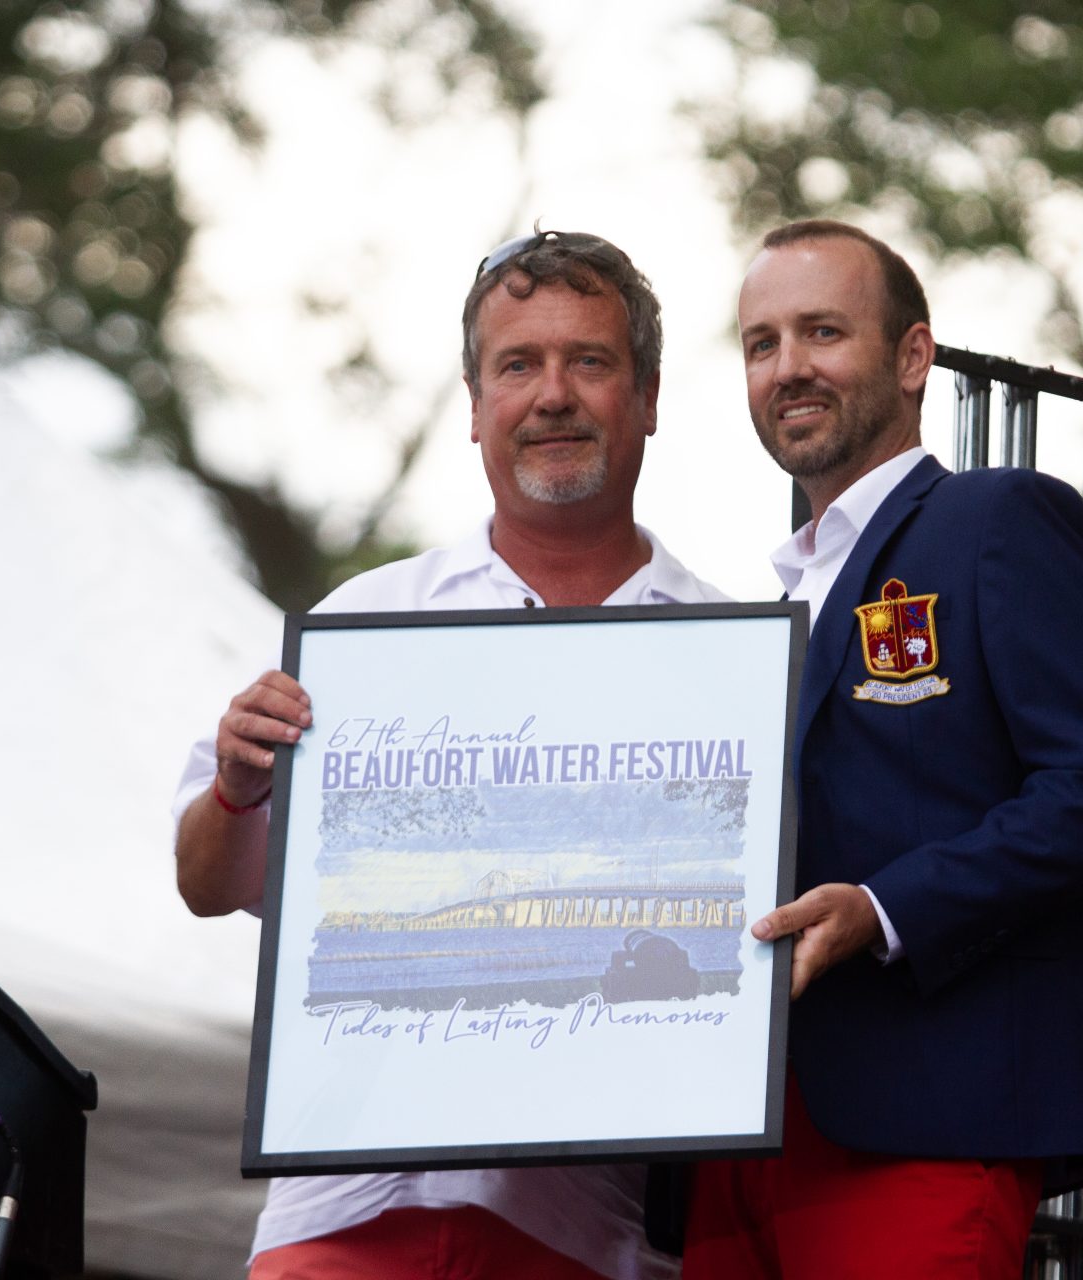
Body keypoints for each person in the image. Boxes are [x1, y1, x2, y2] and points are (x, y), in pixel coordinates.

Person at [173, 229, 722, 1280]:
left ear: (648, 397)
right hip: (346, 1213)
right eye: (517, 365)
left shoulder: (726, 652)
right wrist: (238, 790)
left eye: (589, 361)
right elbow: (206, 883)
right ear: (474, 408)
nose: (552, 395)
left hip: (591, 1231)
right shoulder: (365, 624)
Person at [680, 220, 1083, 1278]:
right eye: (762, 343)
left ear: (913, 357)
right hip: (740, 1126)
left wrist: (884, 908)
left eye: (822, 331)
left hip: (924, 1117)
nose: (788, 366)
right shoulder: (773, 600)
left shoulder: (996, 518)